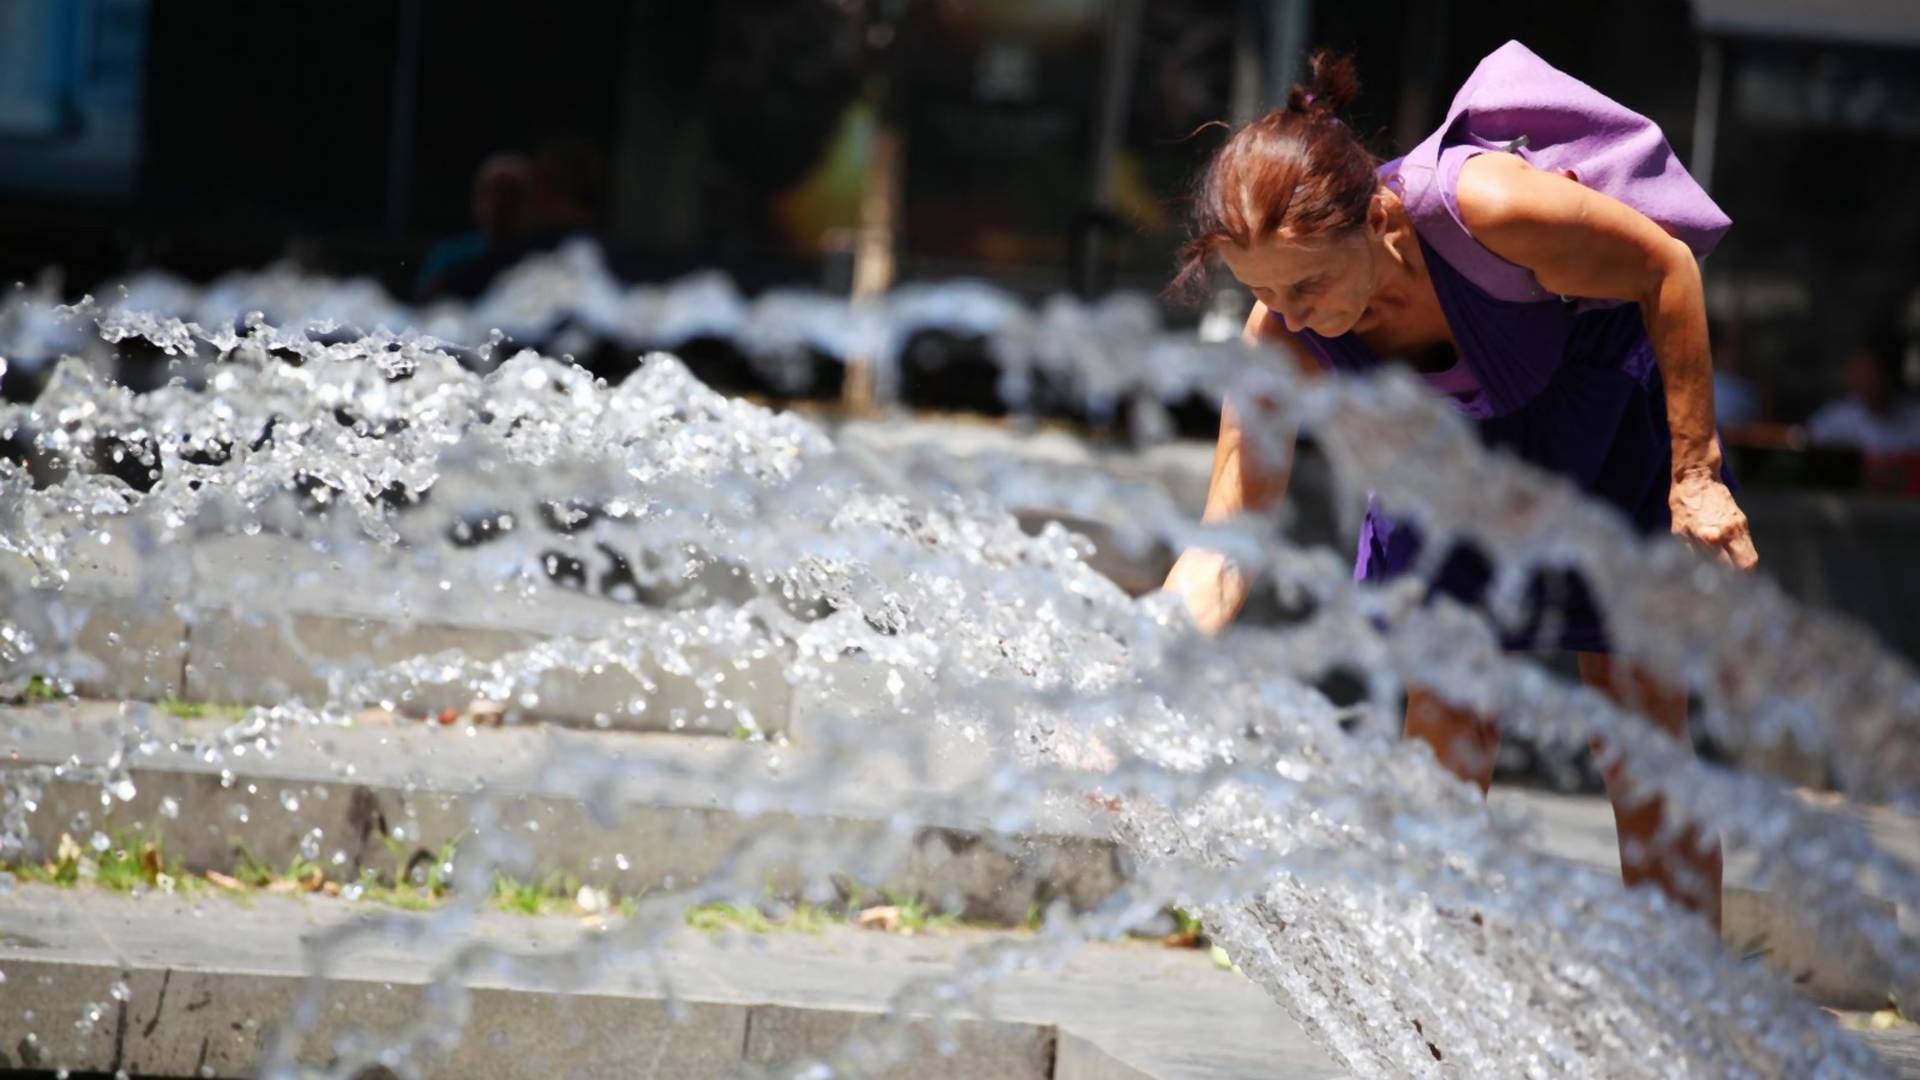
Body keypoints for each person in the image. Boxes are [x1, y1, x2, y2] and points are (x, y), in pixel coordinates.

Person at [1161, 42, 1756, 930]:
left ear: (1379, 221)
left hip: (1600, 422)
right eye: (1267, 294)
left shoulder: (1489, 209)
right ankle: (1436, 1025)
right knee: (1443, 716)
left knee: (1638, 724)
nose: (1294, 314)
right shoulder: (1282, 336)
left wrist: (1697, 474)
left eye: (1310, 283)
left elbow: (1665, 268)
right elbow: (1224, 546)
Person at [1804, 336, 1920, 454]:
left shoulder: (1915, 417)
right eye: (1860, 376)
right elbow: (1806, 440)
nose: (1866, 382)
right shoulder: (1836, 419)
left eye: (1872, 375)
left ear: (1887, 374)